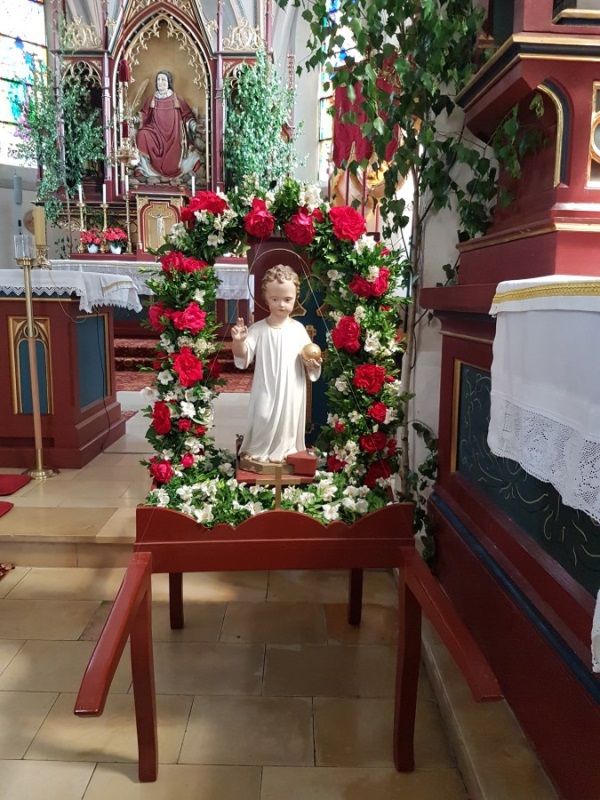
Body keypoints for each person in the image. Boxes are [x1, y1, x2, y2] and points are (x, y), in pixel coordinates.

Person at [231, 265, 322, 464]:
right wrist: (238, 342)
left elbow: (309, 356)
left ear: (296, 298)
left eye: (287, 300)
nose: (281, 305)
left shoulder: (298, 329)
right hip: (266, 385)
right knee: (262, 415)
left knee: (288, 420)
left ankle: (286, 449)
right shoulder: (258, 329)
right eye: (275, 299)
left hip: (291, 386)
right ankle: (257, 448)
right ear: (266, 298)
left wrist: (313, 363)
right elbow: (243, 357)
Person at [135, 70, 202, 180]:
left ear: (169, 82)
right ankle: (144, 168)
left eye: (163, 80)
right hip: (155, 132)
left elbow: (186, 115)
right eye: (158, 80)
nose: (160, 82)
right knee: (142, 134)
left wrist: (195, 126)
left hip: (174, 134)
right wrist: (134, 119)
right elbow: (144, 115)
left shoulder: (177, 98)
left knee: (172, 164)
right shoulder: (152, 99)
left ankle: (192, 163)